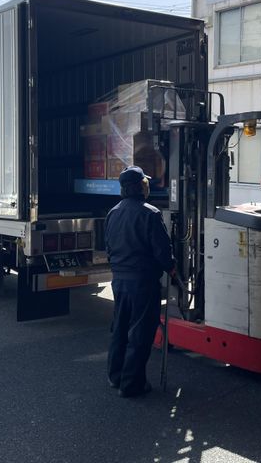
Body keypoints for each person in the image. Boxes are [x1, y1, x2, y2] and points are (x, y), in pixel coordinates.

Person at [105, 165, 176, 398]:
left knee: (120, 328)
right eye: (146, 183)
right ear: (141, 187)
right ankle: (131, 384)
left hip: (119, 280)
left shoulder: (113, 212)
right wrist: (171, 267)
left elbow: (108, 247)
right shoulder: (150, 213)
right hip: (143, 281)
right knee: (140, 332)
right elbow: (162, 250)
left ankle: (115, 376)